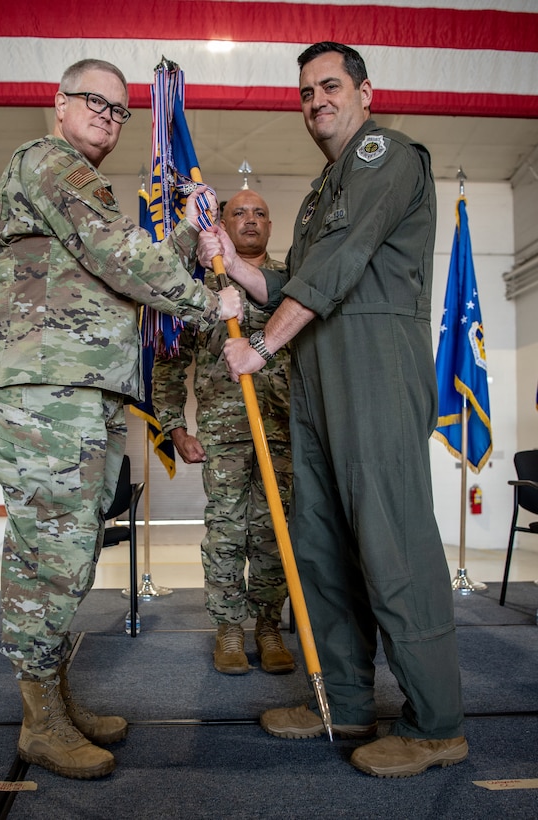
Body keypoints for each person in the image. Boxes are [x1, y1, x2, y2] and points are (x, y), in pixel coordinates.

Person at [199, 42, 468, 778]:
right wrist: (240, 264)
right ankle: (344, 698)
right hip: (318, 369)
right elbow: (296, 274)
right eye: (306, 92)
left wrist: (260, 345)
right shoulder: (325, 186)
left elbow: (342, 262)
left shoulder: (386, 154)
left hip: (374, 360)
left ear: (364, 92)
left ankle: (435, 721)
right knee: (321, 544)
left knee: (391, 540)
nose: (316, 101)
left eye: (329, 86)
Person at [0, 58, 242, 781]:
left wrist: (188, 237)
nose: (108, 115)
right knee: (50, 553)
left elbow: (118, 271)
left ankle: (54, 700)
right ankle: (40, 722)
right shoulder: (49, 161)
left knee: (74, 547)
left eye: (120, 109)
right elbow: (118, 255)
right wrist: (207, 302)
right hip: (43, 389)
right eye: (94, 100)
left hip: (75, 391)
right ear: (58, 104)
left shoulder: (77, 186)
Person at [152, 190, 294, 676]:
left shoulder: (290, 284)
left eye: (260, 213)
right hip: (224, 430)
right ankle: (229, 629)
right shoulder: (201, 286)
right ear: (222, 225)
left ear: (271, 226)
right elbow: (170, 361)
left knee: (276, 531)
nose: (250, 220)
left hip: (282, 429)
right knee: (227, 532)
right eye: (239, 213)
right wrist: (173, 425)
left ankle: (269, 626)